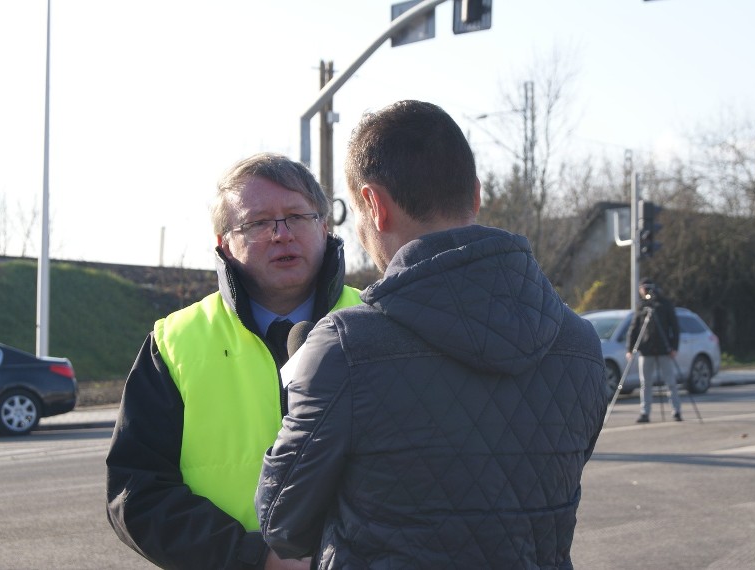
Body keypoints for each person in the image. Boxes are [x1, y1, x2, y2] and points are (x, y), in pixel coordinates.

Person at [255, 100, 610, 568]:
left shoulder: (345, 347)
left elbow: (282, 523)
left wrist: (299, 388)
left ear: (374, 206)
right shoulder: (581, 345)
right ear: (476, 195)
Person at [105, 152, 362, 569]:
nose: (282, 234)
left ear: (323, 226)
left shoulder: (379, 323)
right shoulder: (174, 343)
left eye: (297, 216)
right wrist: (256, 559)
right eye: (258, 223)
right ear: (224, 243)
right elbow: (135, 494)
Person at [626, 277, 682, 423]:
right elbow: (634, 328)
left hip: (664, 349)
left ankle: (676, 411)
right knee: (645, 383)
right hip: (646, 349)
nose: (644, 292)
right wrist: (630, 348)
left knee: (670, 382)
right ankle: (645, 412)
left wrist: (674, 347)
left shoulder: (664, 304)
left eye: (646, 289)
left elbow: (674, 327)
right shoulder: (642, 306)